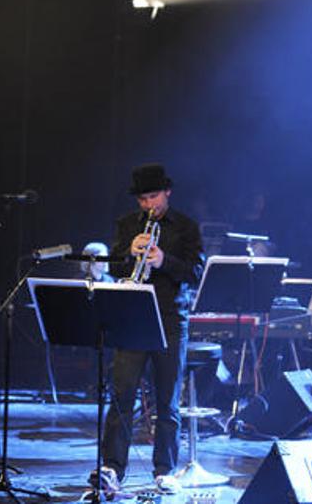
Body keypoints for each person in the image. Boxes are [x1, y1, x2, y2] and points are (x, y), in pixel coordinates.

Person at [91, 164, 204, 497]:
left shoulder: (186, 227)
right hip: (133, 315)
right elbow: (112, 266)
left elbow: (196, 272)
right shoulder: (127, 225)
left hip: (170, 318)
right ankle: (113, 468)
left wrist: (163, 260)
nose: (148, 205)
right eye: (142, 199)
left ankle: (164, 470)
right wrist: (129, 253)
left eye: (153, 197)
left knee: (167, 399)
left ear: (167, 191)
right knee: (121, 394)